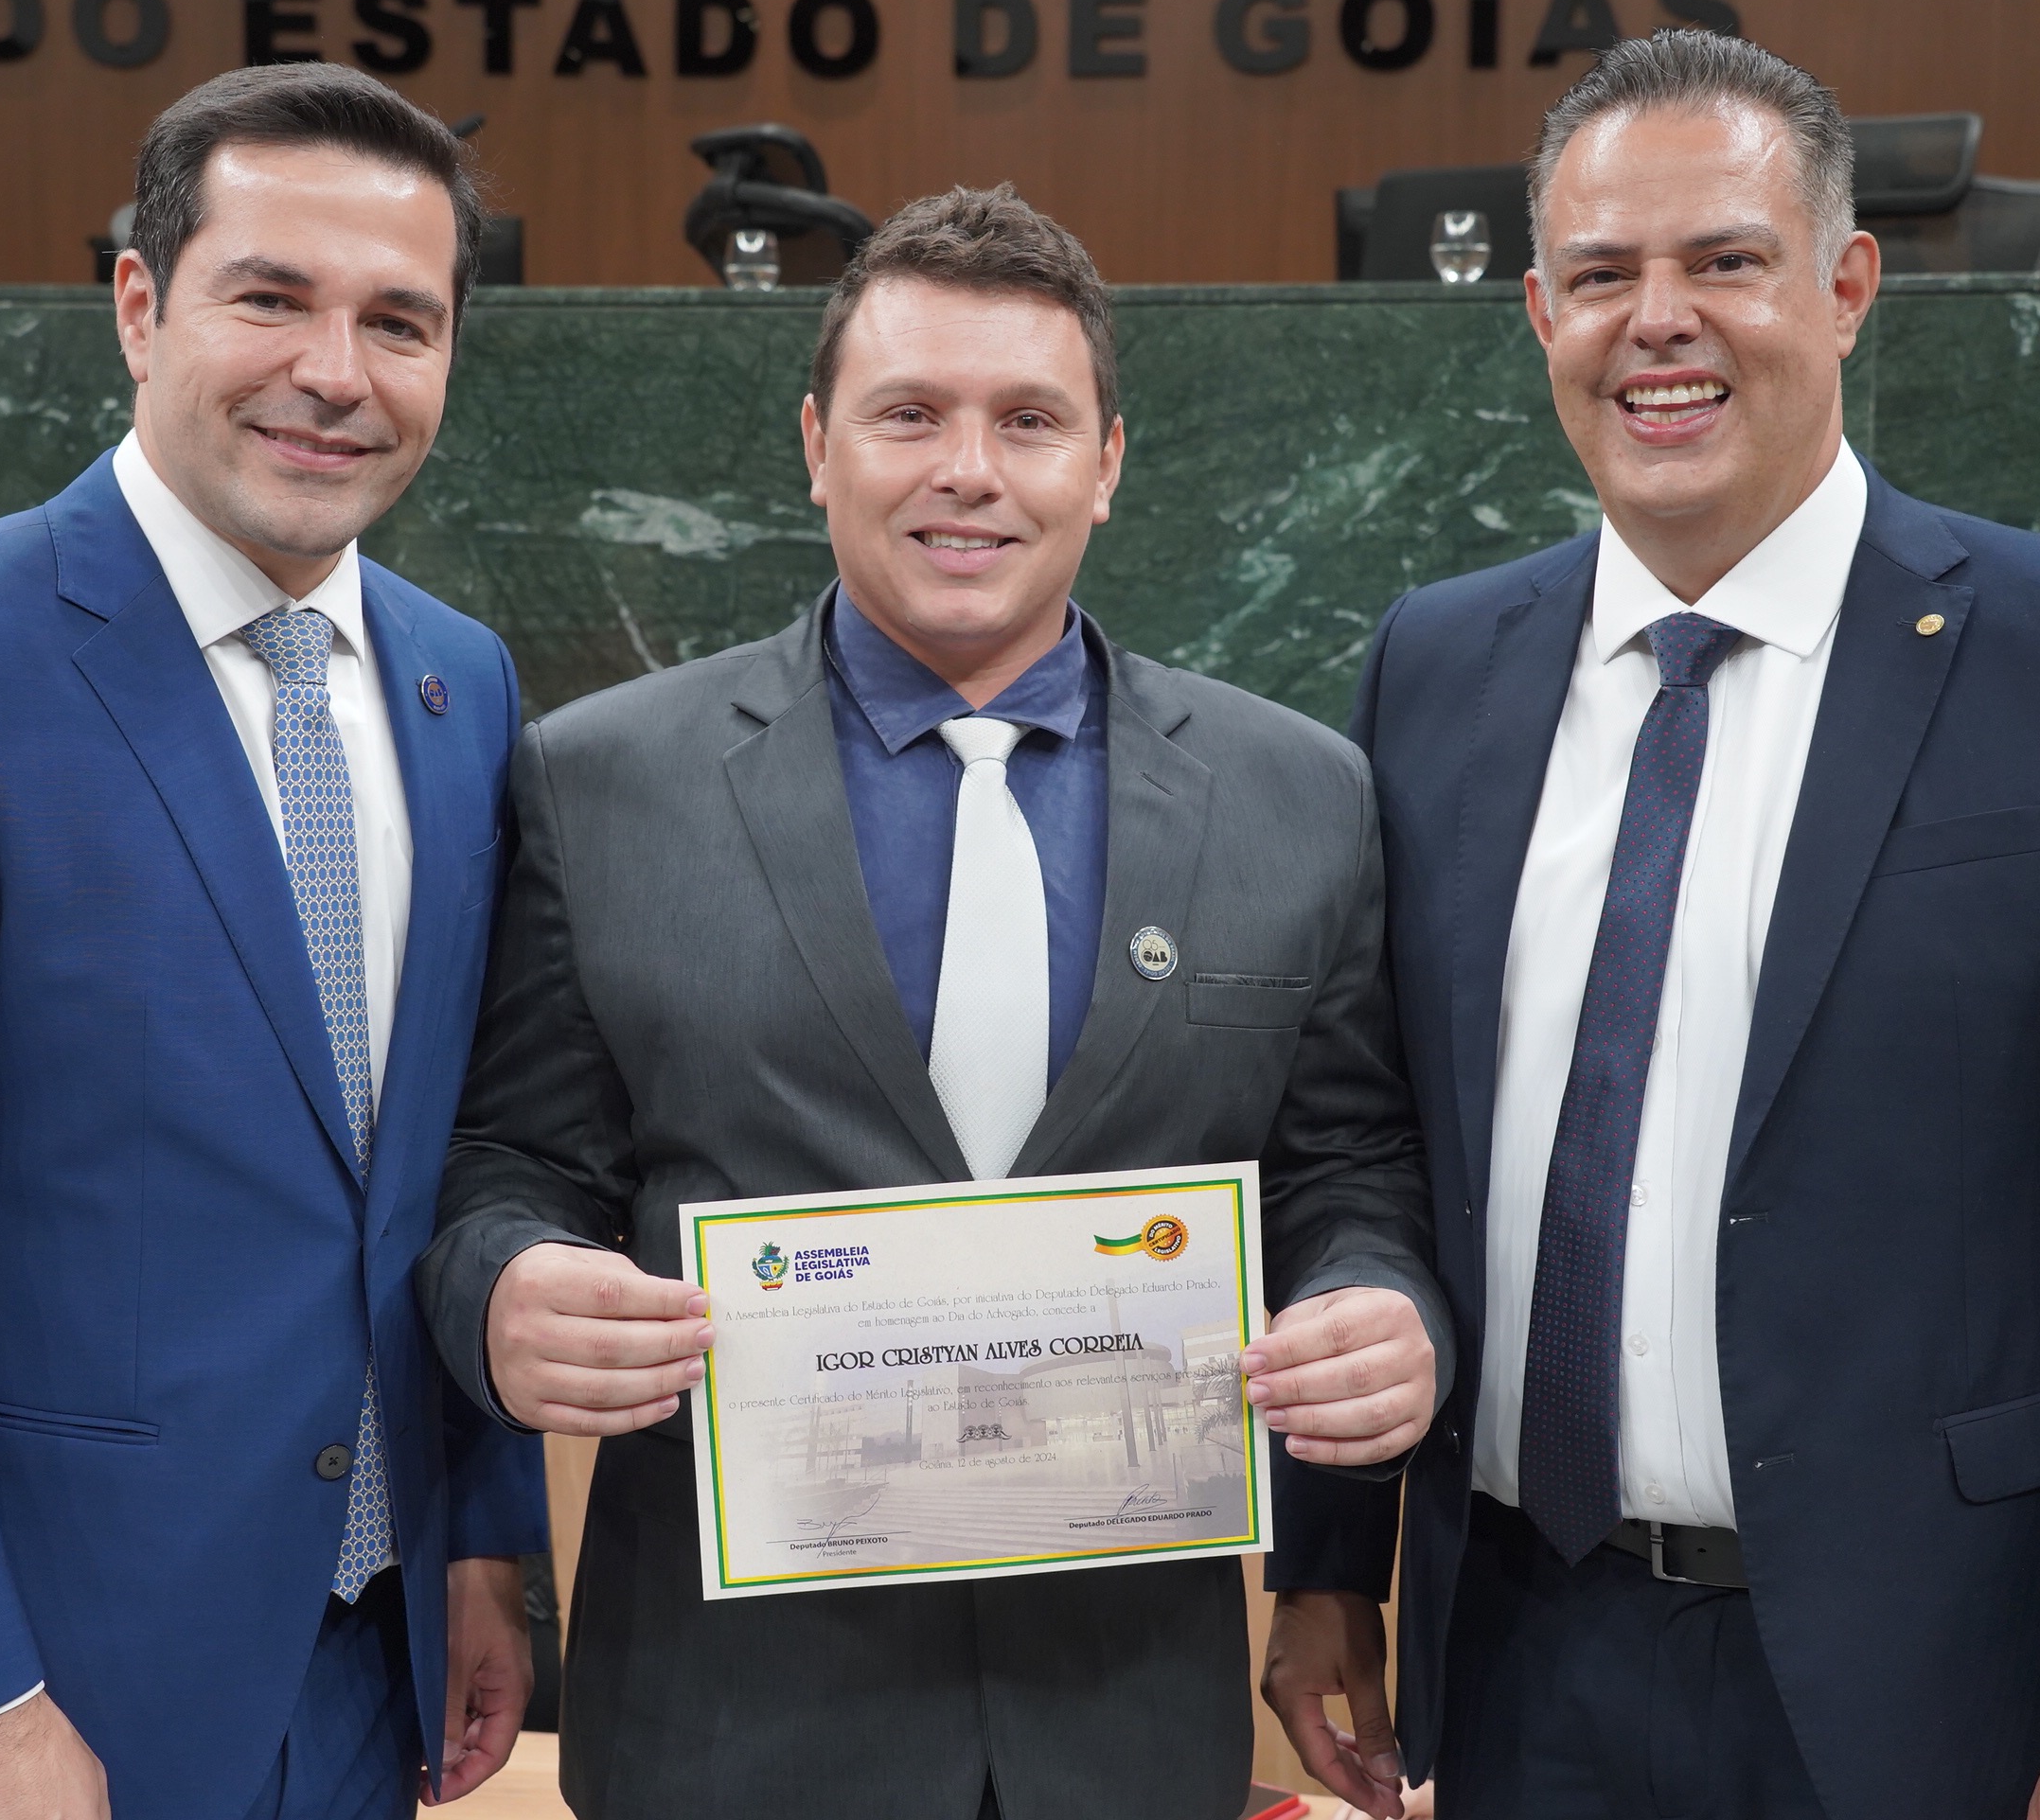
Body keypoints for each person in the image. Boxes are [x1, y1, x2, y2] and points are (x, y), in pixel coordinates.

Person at [1265, 30, 2040, 1820]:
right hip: (1515, 1663)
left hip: (1951, 1687)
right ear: (1538, 314)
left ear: (1845, 288)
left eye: (1725, 261)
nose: (1657, 322)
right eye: (1602, 275)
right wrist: (1326, 1565)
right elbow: (1365, 1144)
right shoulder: (1432, 668)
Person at [411, 185, 1453, 1820]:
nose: (969, 468)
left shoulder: (1299, 795)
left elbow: (1351, 1171)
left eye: (1029, 420)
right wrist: (504, 1290)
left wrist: (1383, 1305)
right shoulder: (599, 781)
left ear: (1106, 465)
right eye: (910, 414)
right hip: (729, 1732)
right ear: (817, 447)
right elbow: (508, 1163)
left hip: (1128, 1725)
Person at [0, 64, 543, 1820]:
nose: (337, 371)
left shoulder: (461, 683)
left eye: (400, 320)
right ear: (141, 307)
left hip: (361, 1679)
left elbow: (446, 1165)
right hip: (30, 1700)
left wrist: (477, 1543)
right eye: (271, 298)